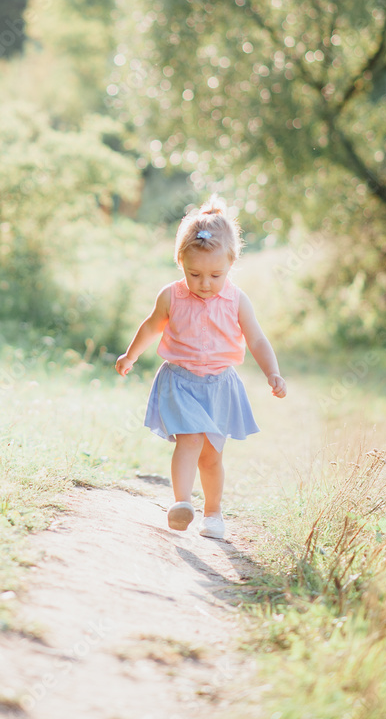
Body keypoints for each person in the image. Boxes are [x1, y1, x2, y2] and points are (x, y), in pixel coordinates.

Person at [115, 196, 286, 540]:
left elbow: (256, 339)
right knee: (189, 440)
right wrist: (131, 355)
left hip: (220, 385)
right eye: (194, 274)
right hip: (180, 382)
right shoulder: (172, 296)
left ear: (231, 265)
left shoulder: (237, 300)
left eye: (215, 275)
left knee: (211, 456)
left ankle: (213, 512)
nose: (205, 283)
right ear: (180, 263)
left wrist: (273, 372)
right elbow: (152, 326)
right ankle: (181, 504)